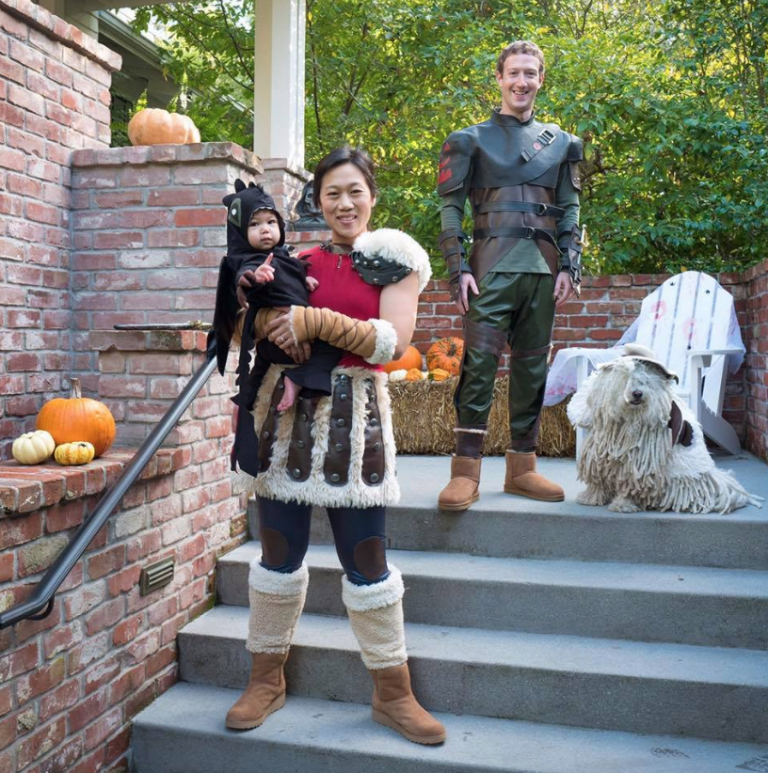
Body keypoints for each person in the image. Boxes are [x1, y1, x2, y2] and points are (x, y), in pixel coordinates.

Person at [224, 147, 445, 746]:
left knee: (368, 562)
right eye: (331, 194)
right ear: (315, 201)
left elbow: (393, 342)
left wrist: (315, 322)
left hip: (360, 426)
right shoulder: (294, 259)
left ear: (372, 195)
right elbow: (249, 326)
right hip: (287, 427)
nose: (343, 203)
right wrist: (264, 320)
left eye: (354, 191)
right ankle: (266, 680)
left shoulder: (395, 261)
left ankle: (392, 694)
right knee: (276, 556)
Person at [436, 40, 585, 512]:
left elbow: (570, 208)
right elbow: (449, 209)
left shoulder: (563, 143)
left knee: (531, 369)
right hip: (488, 270)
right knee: (477, 369)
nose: (521, 82)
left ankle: (523, 468)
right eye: (513, 73)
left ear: (541, 79)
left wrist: (570, 264)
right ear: (499, 78)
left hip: (542, 272)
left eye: (530, 73)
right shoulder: (468, 140)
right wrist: (457, 269)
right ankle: (466, 471)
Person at [210, 181, 343, 478]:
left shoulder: (283, 256)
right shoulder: (247, 259)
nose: (266, 229)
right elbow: (242, 280)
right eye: (255, 224)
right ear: (240, 232)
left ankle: (243, 402)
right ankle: (297, 380)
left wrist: (303, 279)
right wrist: (255, 276)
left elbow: (291, 271)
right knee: (330, 345)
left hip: (284, 338)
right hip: (277, 333)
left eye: (271, 222)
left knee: (256, 375)